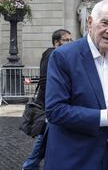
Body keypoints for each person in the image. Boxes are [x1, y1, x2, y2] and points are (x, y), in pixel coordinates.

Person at [45, 0, 108, 170]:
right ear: (89, 23)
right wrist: (104, 117)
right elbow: (55, 110)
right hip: (75, 158)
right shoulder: (63, 56)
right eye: (105, 22)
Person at [22, 29, 72, 170]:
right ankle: (29, 165)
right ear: (56, 42)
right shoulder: (51, 54)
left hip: (55, 103)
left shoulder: (60, 55)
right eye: (66, 40)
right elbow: (45, 80)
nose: (70, 42)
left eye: (70, 40)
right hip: (49, 105)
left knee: (48, 136)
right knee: (45, 136)